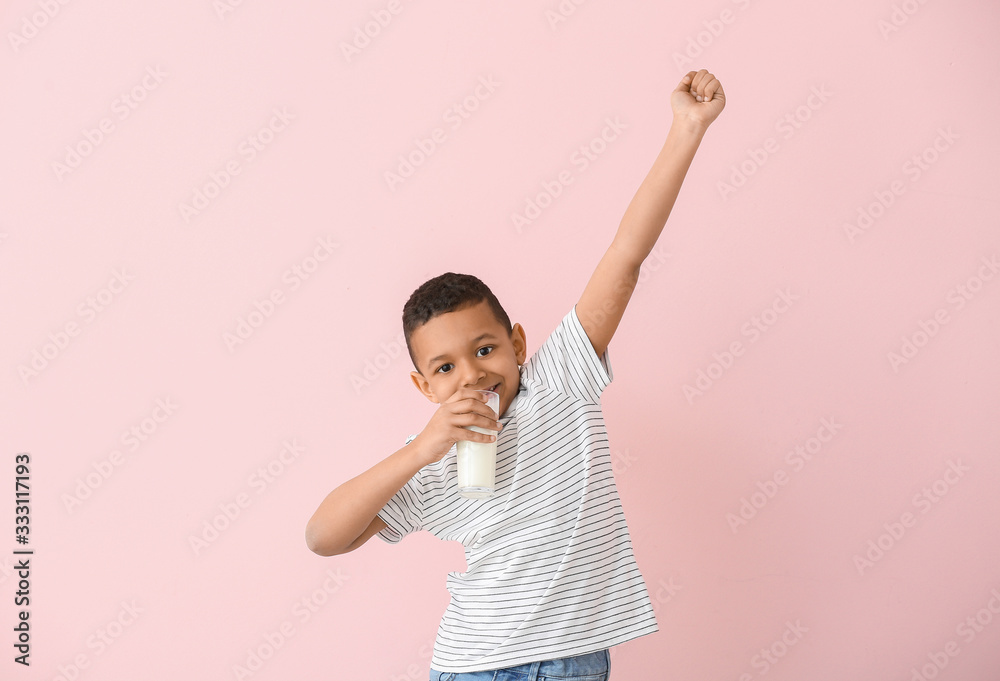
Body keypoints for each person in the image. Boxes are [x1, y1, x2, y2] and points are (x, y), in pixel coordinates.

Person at [305, 68, 726, 680]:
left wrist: (686, 130)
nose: (471, 375)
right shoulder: (433, 458)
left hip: (571, 659)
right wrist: (422, 449)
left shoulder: (559, 381)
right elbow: (323, 536)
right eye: (445, 368)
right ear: (424, 388)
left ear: (518, 344)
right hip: (480, 666)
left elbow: (626, 256)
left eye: (484, 350)